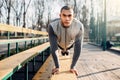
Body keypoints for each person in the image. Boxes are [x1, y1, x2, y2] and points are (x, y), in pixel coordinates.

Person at [48, 5, 84, 76]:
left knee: (66, 51)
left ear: (73, 16)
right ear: (60, 15)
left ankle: (66, 51)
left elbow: (78, 48)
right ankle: (64, 51)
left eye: (69, 15)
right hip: (59, 45)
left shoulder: (79, 26)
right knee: (61, 50)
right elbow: (54, 48)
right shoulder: (52, 26)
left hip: (70, 45)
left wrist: (73, 66)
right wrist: (57, 66)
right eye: (64, 15)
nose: (67, 18)